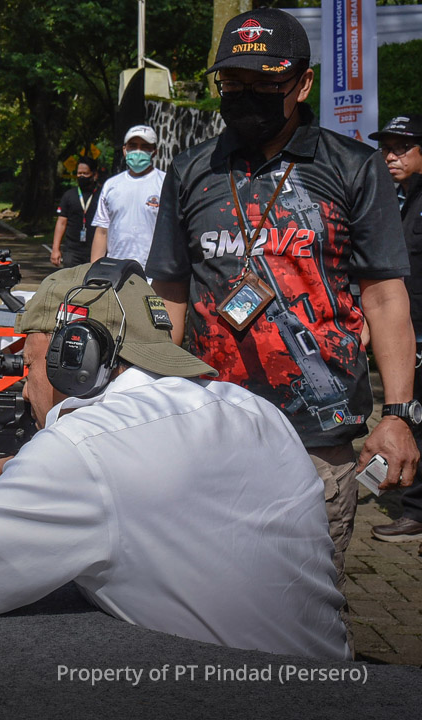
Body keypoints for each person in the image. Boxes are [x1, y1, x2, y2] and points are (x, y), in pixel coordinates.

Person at [0, 260, 350, 660]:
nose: (23, 387)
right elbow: (157, 507)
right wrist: (26, 479)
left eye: (32, 364)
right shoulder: (252, 409)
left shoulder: (83, 448)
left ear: (76, 359)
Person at [145, 8, 420, 591]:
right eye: (235, 83)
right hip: (207, 431)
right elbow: (168, 295)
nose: (248, 95)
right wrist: (146, 400)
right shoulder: (192, 169)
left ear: (303, 83)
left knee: (304, 606)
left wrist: (397, 416)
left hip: (317, 440)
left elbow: (386, 300)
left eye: (267, 83)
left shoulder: (353, 166)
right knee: (204, 598)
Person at [368, 115, 422, 543]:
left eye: (402, 148)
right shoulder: (398, 198)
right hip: (409, 332)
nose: (390, 156)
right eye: (386, 147)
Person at [89, 126, 165, 270]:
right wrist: (94, 270)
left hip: (152, 274)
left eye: (145, 147)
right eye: (133, 146)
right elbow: (102, 231)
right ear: (124, 150)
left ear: (154, 151)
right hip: (114, 270)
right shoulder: (111, 185)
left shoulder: (166, 184)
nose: (138, 151)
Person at [50, 156, 101, 268]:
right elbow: (61, 222)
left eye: (85, 173)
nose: (81, 176)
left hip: (95, 250)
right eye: (79, 173)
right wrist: (55, 249)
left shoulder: (102, 195)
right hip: (72, 251)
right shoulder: (69, 195)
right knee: (71, 282)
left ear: (94, 174)